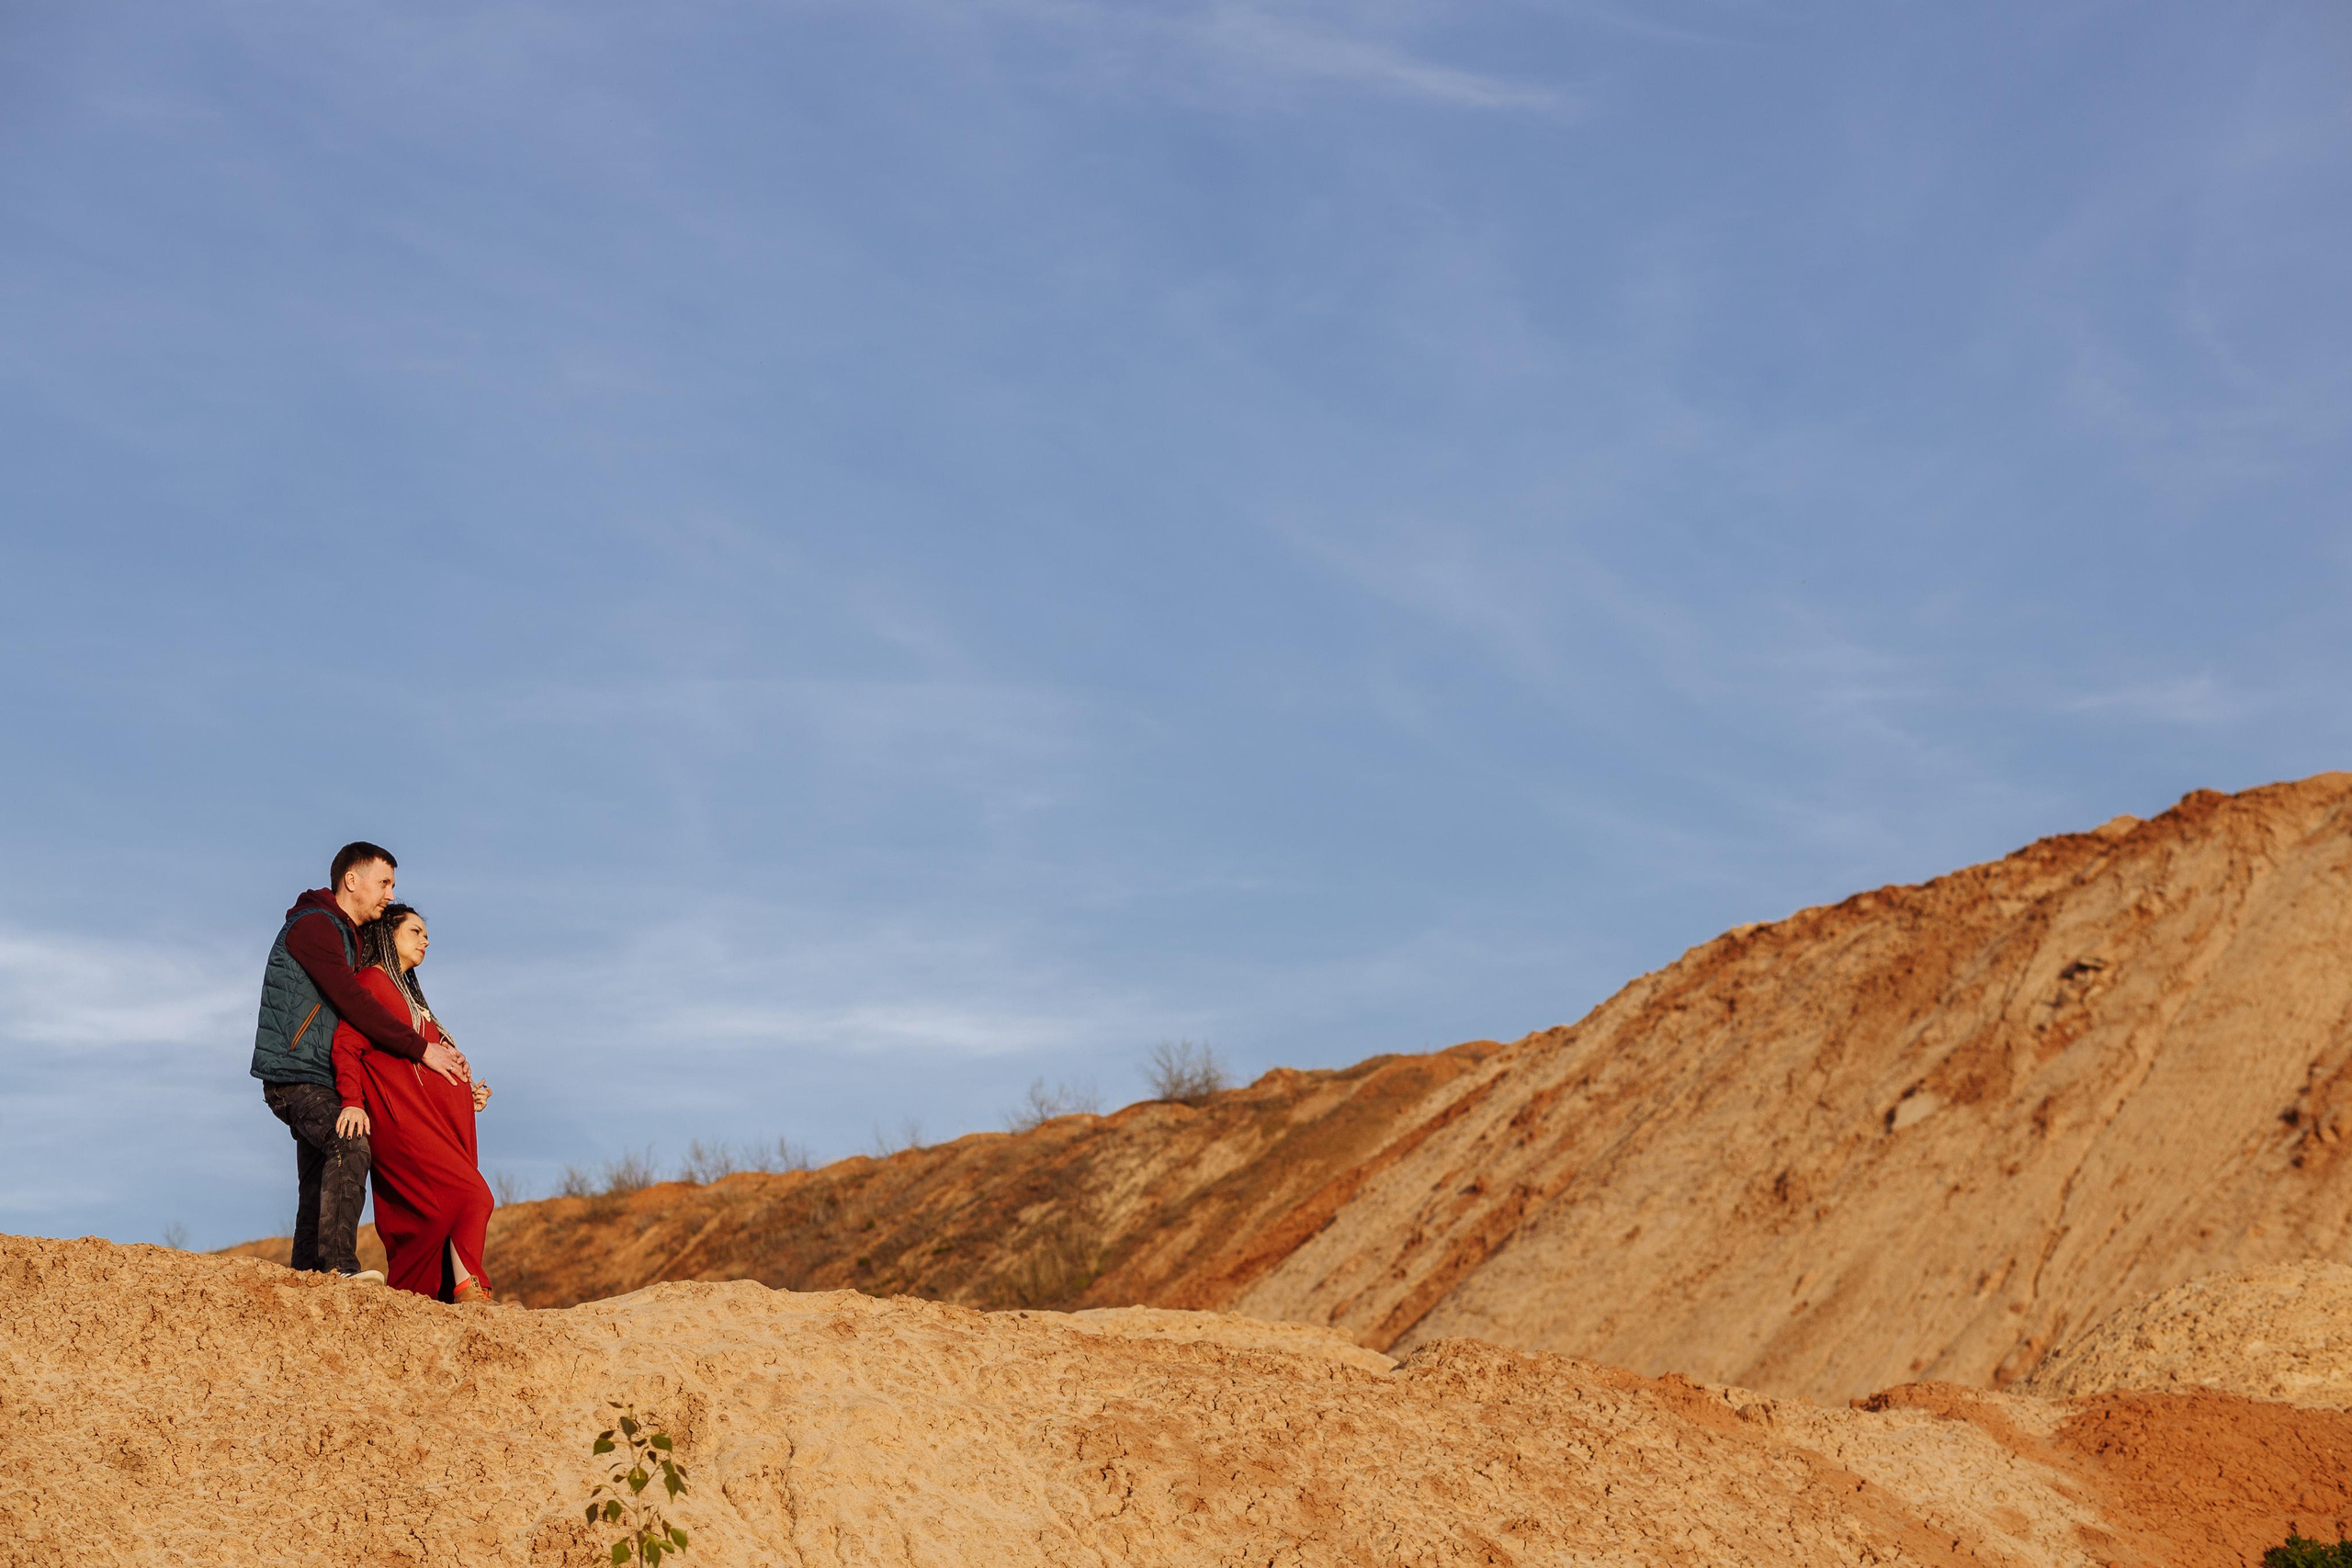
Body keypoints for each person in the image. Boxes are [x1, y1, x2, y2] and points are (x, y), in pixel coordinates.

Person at [250, 842, 469, 1283]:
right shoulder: (313, 927)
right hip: (296, 1075)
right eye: (384, 882)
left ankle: (308, 1277)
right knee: (349, 1143)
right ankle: (338, 1270)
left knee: (317, 1184)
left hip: (322, 1077)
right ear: (353, 881)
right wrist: (421, 1049)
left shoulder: (349, 936)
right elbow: (354, 1003)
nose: (389, 894)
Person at [331, 903, 501, 1303]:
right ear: (388, 936)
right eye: (415, 931)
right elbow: (346, 1045)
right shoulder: (373, 983)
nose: (425, 940)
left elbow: (425, 1067)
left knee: (439, 1215)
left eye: (426, 934)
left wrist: (466, 1091)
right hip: (402, 1122)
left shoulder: (411, 998)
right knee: (475, 1196)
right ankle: (469, 1291)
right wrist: (352, 1101)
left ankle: (418, 1300)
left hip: (435, 1125)